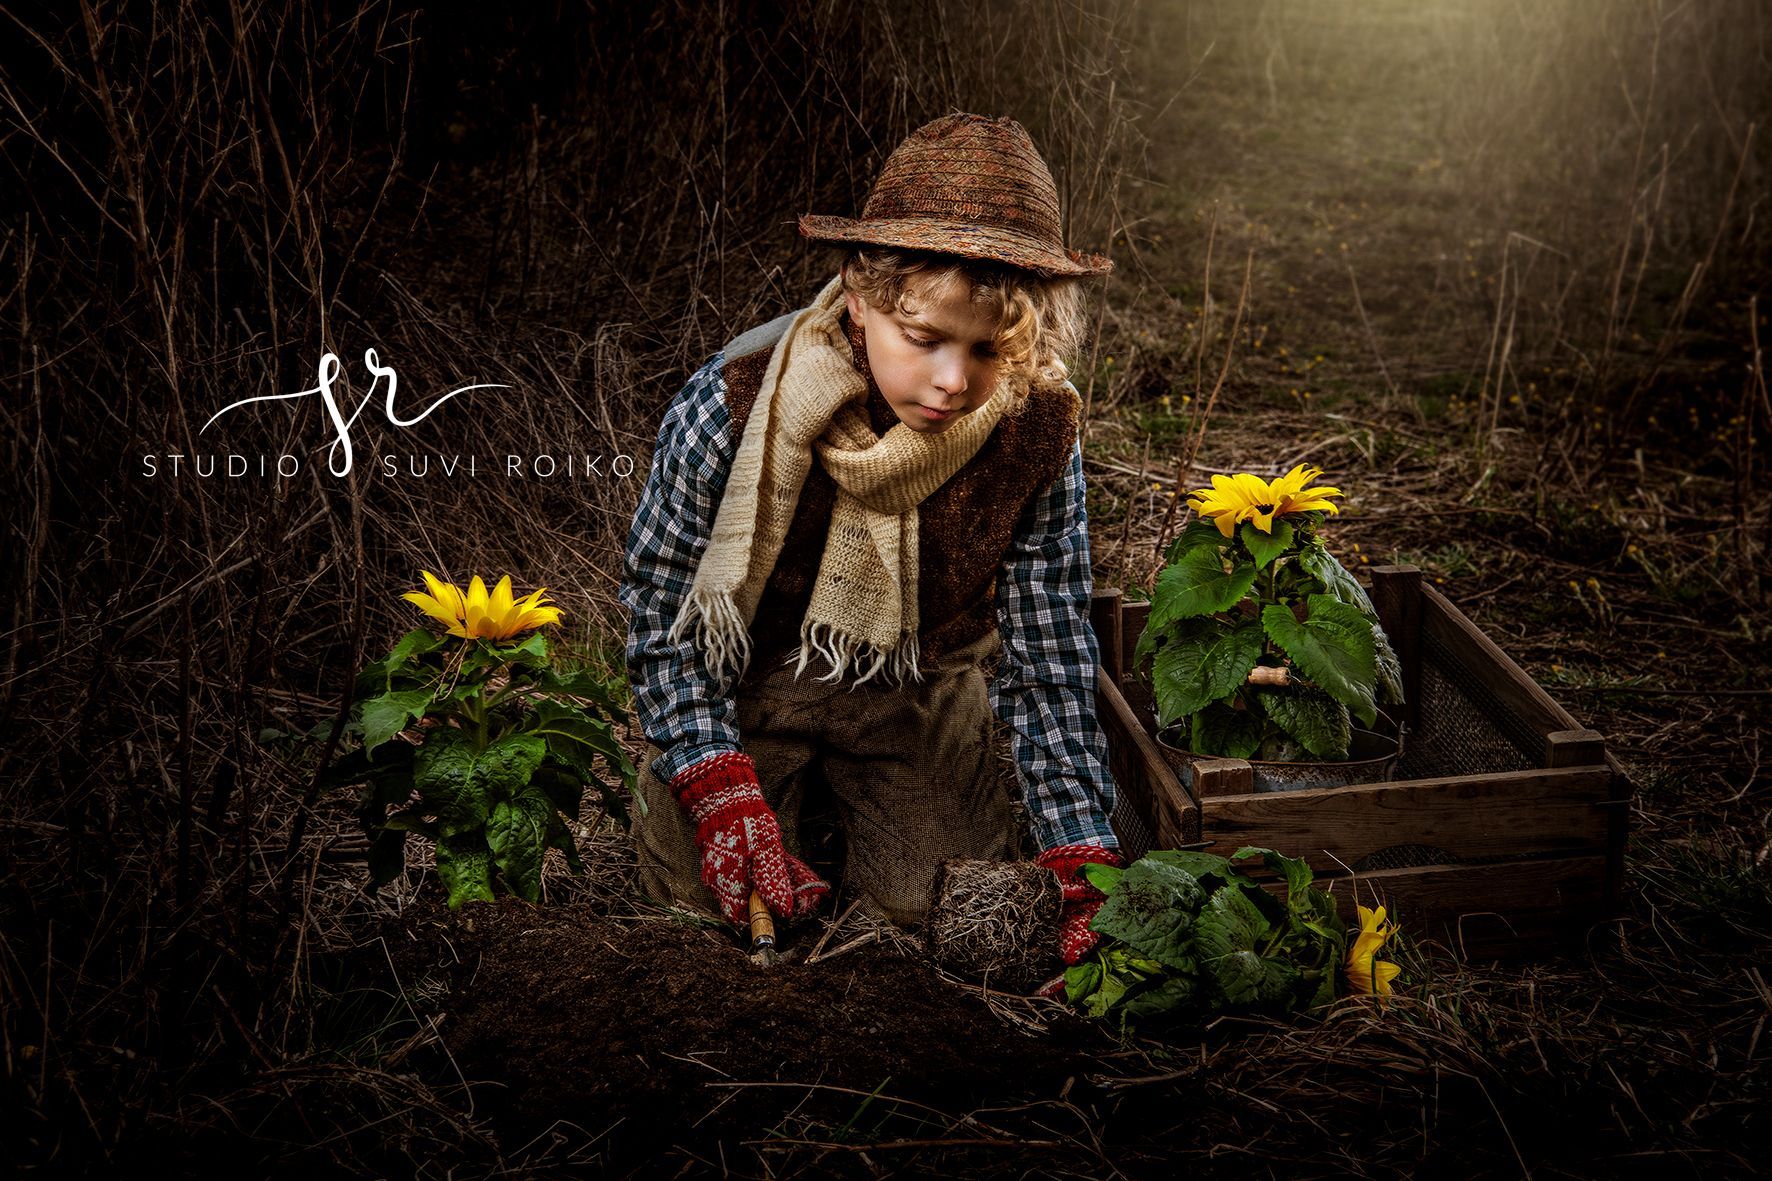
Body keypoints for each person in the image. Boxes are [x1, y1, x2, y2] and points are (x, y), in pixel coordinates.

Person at [619, 113, 1124, 968]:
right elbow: (663, 599)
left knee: (939, 909)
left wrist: (1078, 848)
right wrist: (715, 777)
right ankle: (775, 783)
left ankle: (858, 798)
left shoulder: (1041, 430)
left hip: (918, 679)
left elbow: (1050, 651)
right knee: (698, 904)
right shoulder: (737, 401)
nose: (952, 381)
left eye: (988, 351)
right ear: (861, 297)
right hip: (752, 676)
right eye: (923, 339)